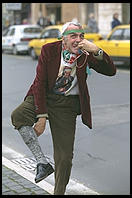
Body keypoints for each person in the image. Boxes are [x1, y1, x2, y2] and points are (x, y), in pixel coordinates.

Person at [11, 21, 116, 195]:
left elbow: (111, 71)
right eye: (73, 36)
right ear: (63, 39)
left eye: (81, 36)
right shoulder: (49, 50)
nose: (78, 40)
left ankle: (58, 192)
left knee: (64, 158)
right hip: (44, 96)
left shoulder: (85, 53)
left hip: (67, 105)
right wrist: (41, 116)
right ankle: (42, 163)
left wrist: (96, 50)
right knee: (19, 115)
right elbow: (40, 83)